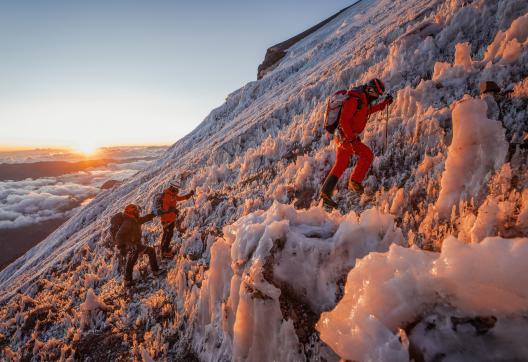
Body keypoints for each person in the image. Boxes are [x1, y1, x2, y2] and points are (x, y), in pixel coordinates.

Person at [320, 78, 393, 209]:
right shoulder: (354, 100)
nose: (376, 97)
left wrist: (383, 104)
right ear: (371, 89)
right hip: (346, 137)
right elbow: (343, 121)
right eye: (377, 94)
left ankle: (325, 195)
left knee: (341, 164)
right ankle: (355, 184)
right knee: (367, 155)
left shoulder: (363, 101)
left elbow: (366, 112)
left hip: (343, 137)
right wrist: (352, 139)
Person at [115, 204, 162, 287]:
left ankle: (127, 281)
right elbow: (119, 235)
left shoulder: (134, 220)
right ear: (132, 212)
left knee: (131, 261)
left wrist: (153, 214)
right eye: (136, 211)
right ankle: (155, 271)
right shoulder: (128, 222)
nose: (138, 212)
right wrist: (122, 247)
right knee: (150, 251)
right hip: (133, 246)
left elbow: (143, 219)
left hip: (133, 245)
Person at [156, 181, 195, 258]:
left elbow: (180, 198)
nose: (178, 190)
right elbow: (165, 208)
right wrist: (173, 210)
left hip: (170, 219)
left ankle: (163, 249)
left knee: (166, 234)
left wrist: (189, 195)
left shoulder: (172, 195)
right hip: (166, 220)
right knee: (169, 235)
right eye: (177, 188)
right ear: (173, 187)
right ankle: (165, 252)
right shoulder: (167, 195)